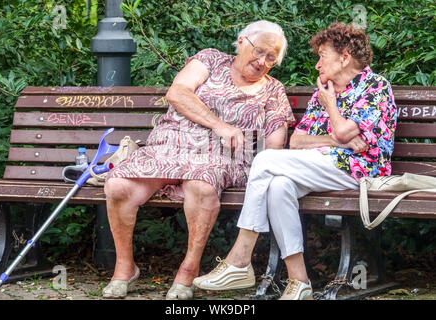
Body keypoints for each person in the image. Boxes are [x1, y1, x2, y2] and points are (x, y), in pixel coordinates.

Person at [193, 22, 397, 300]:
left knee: (265, 161)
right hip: (324, 165)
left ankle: (240, 258)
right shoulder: (324, 91)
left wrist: (331, 109)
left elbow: (343, 130)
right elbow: (298, 142)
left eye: (322, 55)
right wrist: (339, 140)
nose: (317, 65)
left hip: (360, 171)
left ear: (344, 57)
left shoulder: (375, 87)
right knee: (278, 186)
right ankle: (299, 282)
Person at [102, 20, 296, 300]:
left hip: (222, 159)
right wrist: (220, 125)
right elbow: (178, 93)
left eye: (271, 58)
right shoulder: (211, 60)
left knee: (201, 184)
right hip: (169, 147)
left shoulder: (273, 90)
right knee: (118, 184)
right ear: (242, 41)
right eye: (260, 51)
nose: (263, 62)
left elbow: (274, 146)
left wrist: (250, 147)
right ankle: (124, 267)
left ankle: (187, 272)